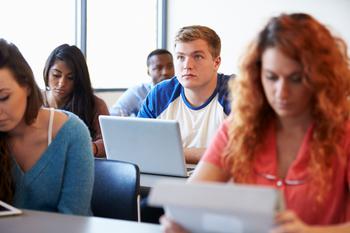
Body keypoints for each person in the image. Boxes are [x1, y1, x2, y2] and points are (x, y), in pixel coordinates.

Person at [160, 13, 350, 233]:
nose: (282, 92)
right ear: (257, 76)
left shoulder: (343, 131)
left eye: (296, 78)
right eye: (271, 77)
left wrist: (310, 232)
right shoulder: (240, 127)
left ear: (321, 78)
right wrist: (182, 223)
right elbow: (190, 201)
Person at [0, 39, 94, 215]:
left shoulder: (72, 133)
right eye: (56, 75)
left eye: (4, 97)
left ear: (27, 86)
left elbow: (73, 219)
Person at [138, 25, 232, 164]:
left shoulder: (236, 92)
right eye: (181, 57)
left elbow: (242, 152)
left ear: (216, 62)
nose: (187, 65)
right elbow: (138, 145)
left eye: (198, 56)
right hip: (165, 179)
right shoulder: (160, 94)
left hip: (222, 182)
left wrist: (174, 152)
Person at [43, 44, 109, 157]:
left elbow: (108, 142)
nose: (62, 83)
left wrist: (89, 147)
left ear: (78, 80)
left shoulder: (94, 105)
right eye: (56, 75)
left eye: (70, 78)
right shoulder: (34, 100)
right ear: (47, 73)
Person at [110, 48, 175, 116]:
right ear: (148, 71)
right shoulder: (138, 92)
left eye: (170, 66)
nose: (165, 72)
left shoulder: (183, 90)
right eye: (158, 68)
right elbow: (114, 114)